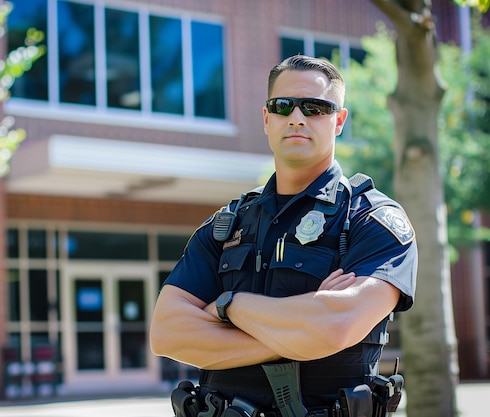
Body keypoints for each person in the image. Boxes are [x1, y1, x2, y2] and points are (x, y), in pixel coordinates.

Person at [149, 55, 417, 417]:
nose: (296, 117)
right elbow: (167, 333)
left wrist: (228, 306)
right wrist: (303, 333)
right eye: (283, 105)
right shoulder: (224, 226)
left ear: (338, 120)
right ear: (266, 118)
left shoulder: (372, 220)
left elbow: (336, 326)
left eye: (315, 107)